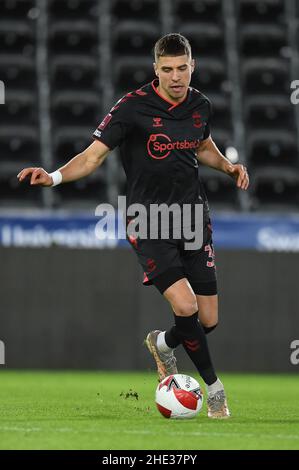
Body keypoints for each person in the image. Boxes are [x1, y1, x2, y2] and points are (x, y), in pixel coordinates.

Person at [17, 33, 249, 419]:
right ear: (155, 70)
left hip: (193, 217)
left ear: (193, 66)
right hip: (149, 220)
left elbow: (203, 145)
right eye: (167, 70)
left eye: (182, 68)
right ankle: (215, 391)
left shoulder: (200, 105)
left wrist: (228, 166)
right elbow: (92, 158)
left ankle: (162, 343)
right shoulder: (131, 108)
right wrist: (54, 177)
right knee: (186, 305)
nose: (175, 77)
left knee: (206, 320)